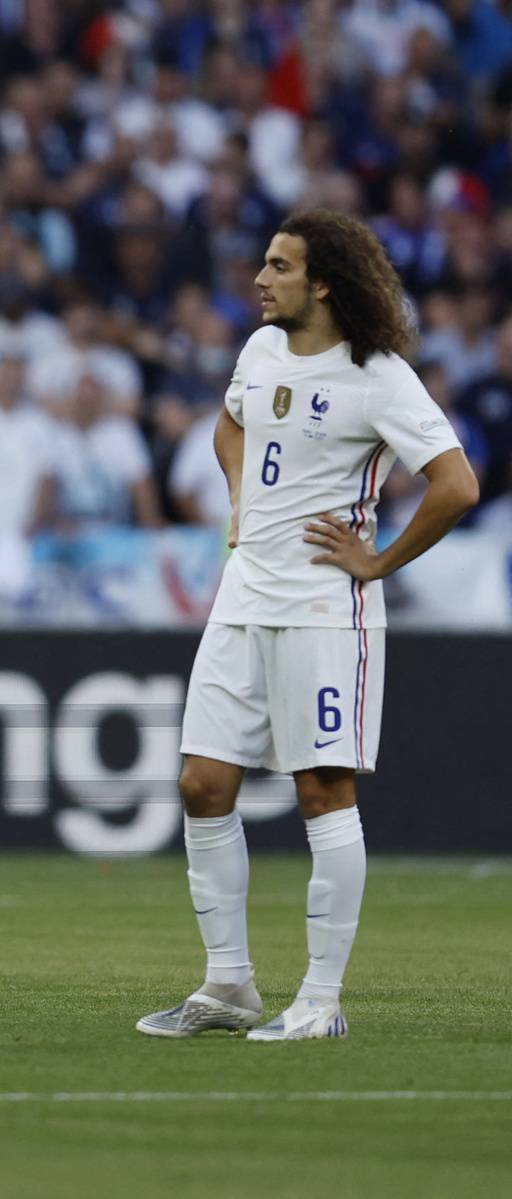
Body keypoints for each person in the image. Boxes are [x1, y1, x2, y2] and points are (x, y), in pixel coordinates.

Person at [139, 210, 479, 1041]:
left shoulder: (379, 374)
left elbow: (456, 483)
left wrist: (378, 560)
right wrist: (238, 496)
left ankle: (322, 1000)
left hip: (327, 609)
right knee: (200, 784)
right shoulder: (259, 352)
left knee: (321, 791)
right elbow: (231, 425)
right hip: (243, 594)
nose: (260, 278)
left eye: (279, 266)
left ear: (323, 281)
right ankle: (229, 986)